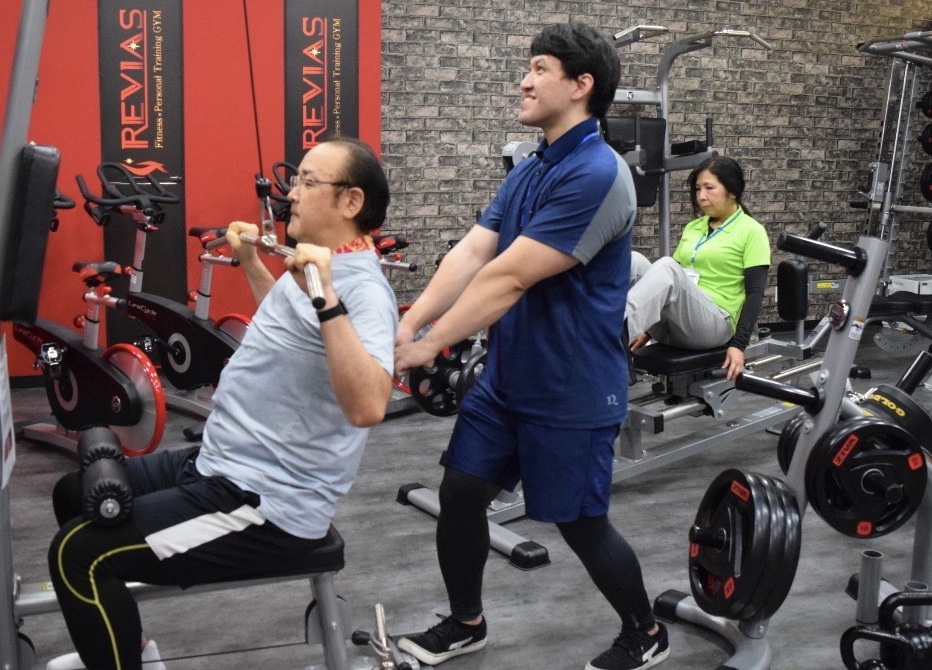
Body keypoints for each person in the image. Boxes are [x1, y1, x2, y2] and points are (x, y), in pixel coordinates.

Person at [46, 137, 398, 670]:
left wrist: (327, 298)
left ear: (351, 201)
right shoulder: (314, 265)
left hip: (267, 501)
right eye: (294, 181)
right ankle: (128, 650)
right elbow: (292, 326)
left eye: (307, 182)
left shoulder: (363, 290)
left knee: (79, 557)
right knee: (75, 494)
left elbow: (369, 407)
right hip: (221, 461)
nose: (291, 195)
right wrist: (252, 262)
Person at [394, 22, 670, 670]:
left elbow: (509, 278)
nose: (524, 81)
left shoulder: (597, 174)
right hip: (508, 379)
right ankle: (467, 623)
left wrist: (430, 345)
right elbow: (474, 252)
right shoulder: (531, 169)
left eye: (540, 68)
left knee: (580, 523)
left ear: (581, 85)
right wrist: (413, 323)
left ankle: (645, 631)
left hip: (570, 387)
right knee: (462, 494)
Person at [626, 156, 770, 381]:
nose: (701, 196)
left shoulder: (752, 231)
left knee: (667, 266)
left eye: (709, 188)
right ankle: (595, 318)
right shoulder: (694, 227)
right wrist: (645, 330)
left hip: (714, 325)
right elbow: (670, 283)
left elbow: (755, 293)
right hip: (678, 323)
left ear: (732, 191)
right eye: (698, 189)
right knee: (633, 261)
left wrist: (738, 345)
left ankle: (614, 331)